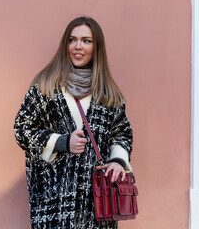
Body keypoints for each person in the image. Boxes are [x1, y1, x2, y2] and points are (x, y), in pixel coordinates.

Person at [14, 16, 133, 229]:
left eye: (86, 41)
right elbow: (22, 128)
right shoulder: (46, 86)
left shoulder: (108, 93)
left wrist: (118, 161)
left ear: (97, 47)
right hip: (53, 199)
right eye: (72, 40)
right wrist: (61, 142)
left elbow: (121, 132)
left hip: (96, 202)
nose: (78, 47)